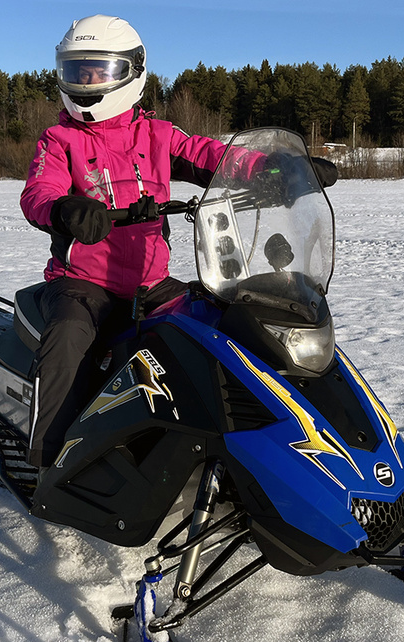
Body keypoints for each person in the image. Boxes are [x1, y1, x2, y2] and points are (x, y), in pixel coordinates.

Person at [19, 15, 337, 468]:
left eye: (98, 71)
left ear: (131, 72)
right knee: (68, 340)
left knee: (219, 328)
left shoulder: (157, 135)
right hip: (83, 282)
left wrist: (282, 168)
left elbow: (214, 156)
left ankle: (237, 441)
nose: (86, 82)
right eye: (76, 71)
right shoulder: (59, 140)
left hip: (152, 282)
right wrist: (64, 210)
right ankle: (46, 459)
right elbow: (38, 192)